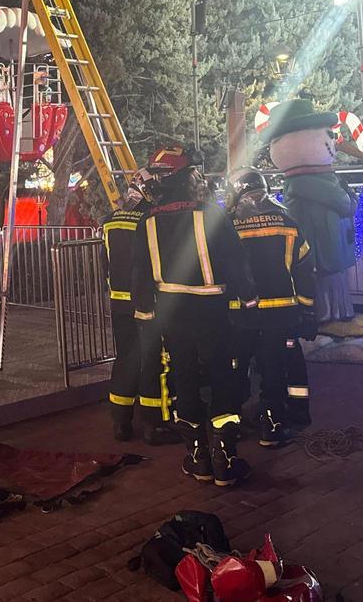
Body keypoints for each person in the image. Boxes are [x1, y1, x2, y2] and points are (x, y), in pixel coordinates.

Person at [132, 146, 258, 487]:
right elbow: (237, 263)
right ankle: (225, 459)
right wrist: (249, 301)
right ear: (188, 178)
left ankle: (198, 456)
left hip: (172, 314)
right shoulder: (210, 215)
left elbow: (140, 273)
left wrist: (145, 314)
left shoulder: (148, 221)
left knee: (184, 380)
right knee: (222, 378)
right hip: (212, 311)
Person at [225, 168, 317, 448]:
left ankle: (230, 426)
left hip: (241, 314)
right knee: (274, 369)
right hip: (282, 313)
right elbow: (304, 270)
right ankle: (272, 427)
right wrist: (308, 310)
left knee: (235, 370)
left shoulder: (229, 225)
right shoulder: (287, 222)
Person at [102, 175, 165, 442]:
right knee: (152, 359)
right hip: (147, 302)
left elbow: (105, 264)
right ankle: (153, 425)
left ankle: (120, 422)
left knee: (126, 357)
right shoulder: (151, 219)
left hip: (119, 301)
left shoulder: (110, 221)